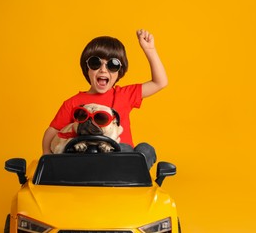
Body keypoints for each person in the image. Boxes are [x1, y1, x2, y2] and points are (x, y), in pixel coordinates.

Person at [42, 29, 168, 168]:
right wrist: (48, 161)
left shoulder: (124, 95)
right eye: (96, 63)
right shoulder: (73, 103)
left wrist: (150, 50)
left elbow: (160, 82)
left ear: (119, 71)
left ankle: (130, 176)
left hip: (122, 160)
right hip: (87, 163)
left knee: (144, 149)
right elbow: (51, 132)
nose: (103, 69)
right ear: (87, 68)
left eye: (112, 65)